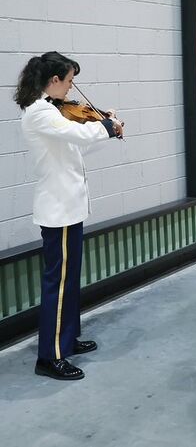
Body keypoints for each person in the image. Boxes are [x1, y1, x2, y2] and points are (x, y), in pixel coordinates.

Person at [14, 52, 124, 380]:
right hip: (58, 211)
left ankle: (67, 340)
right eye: (70, 79)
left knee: (69, 281)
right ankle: (49, 356)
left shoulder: (55, 113)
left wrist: (108, 130)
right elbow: (79, 135)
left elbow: (78, 147)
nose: (72, 86)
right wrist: (105, 124)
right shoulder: (40, 112)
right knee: (58, 286)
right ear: (55, 80)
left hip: (70, 209)